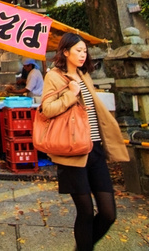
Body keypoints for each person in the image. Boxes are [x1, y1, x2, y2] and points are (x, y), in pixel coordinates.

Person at [40, 32, 129, 250]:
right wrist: (71, 94)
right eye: (78, 50)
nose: (82, 54)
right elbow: (47, 110)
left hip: (95, 149)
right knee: (86, 211)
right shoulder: (54, 76)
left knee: (108, 213)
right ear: (65, 51)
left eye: (85, 51)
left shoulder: (84, 74)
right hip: (72, 152)